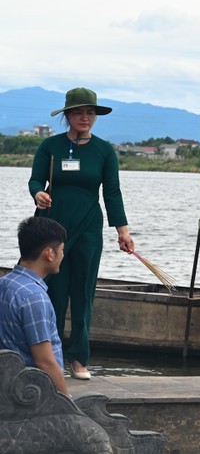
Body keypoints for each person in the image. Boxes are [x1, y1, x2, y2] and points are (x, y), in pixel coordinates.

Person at [28, 87, 135, 381]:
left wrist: (122, 232)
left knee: (83, 291)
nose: (84, 117)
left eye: (90, 112)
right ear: (67, 115)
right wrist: (38, 192)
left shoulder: (103, 151)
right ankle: (51, 358)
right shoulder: (50, 146)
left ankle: (79, 359)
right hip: (53, 227)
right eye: (78, 112)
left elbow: (112, 193)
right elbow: (36, 179)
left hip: (88, 227)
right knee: (53, 292)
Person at [0, 217, 70, 396]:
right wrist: (67, 405)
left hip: (9, 386)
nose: (63, 255)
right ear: (49, 254)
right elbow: (45, 362)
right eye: (61, 250)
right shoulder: (34, 297)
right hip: (34, 396)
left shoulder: (5, 283)